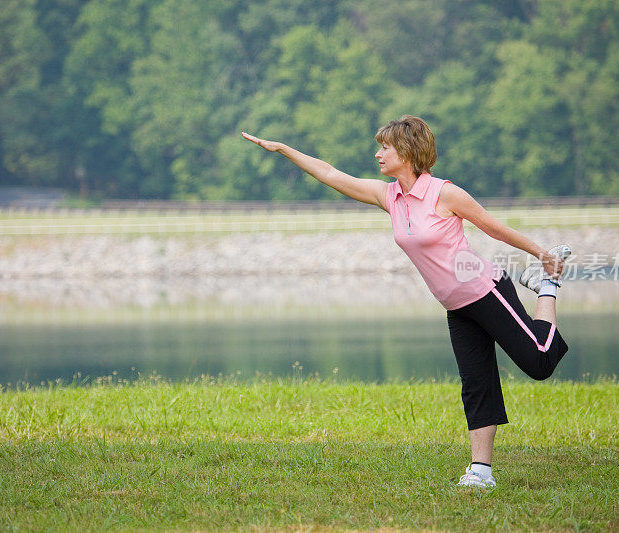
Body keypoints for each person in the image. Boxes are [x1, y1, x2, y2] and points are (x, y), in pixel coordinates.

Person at [242, 115, 571, 488]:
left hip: (486, 289)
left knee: (540, 361)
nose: (378, 154)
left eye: (385, 147)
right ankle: (481, 471)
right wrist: (283, 149)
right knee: (476, 383)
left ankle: (547, 283)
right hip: (457, 306)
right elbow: (331, 174)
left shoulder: (444, 193)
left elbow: (492, 227)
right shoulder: (389, 197)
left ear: (408, 152)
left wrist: (542, 253)